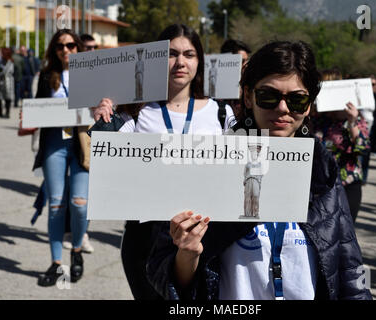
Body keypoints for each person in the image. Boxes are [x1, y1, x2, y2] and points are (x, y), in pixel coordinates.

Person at [146, 41, 372, 300]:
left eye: (298, 99)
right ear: (247, 96)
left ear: (309, 105)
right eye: (268, 96)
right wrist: (187, 255)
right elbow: (162, 274)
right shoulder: (207, 164)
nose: (283, 108)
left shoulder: (322, 171)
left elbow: (350, 271)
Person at [92, 24, 234, 300]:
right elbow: (109, 168)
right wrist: (104, 123)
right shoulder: (136, 111)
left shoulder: (221, 113)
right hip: (145, 235)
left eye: (189, 54)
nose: (180, 62)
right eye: (171, 54)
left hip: (204, 235)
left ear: (199, 61)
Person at [34, 29, 90, 287]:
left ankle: (76, 249)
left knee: (79, 204)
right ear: (54, 50)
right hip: (55, 143)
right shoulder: (47, 76)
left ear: (78, 47)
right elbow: (36, 109)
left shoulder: (92, 75)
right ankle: (57, 264)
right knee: (56, 205)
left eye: (70, 45)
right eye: (60, 46)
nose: (65, 50)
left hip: (82, 144)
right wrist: (28, 119)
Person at [311, 69, 370, 223]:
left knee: (345, 235)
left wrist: (352, 122)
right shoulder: (317, 119)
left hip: (347, 184)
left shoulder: (353, 119)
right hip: (320, 187)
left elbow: (363, 148)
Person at [62, 33, 99, 253]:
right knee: (67, 192)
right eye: (86, 48)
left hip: (89, 138)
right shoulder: (68, 75)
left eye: (94, 48)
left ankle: (82, 232)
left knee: (86, 193)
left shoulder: (101, 75)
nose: (90, 52)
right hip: (68, 137)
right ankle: (69, 231)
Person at [219, 39, 252, 119]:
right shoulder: (214, 91)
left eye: (247, 60)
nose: (246, 65)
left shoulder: (250, 87)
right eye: (242, 61)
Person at [0, 48, 14, 118]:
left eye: (1, 53)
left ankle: (7, 113)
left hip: (7, 82)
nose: (0, 54)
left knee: (7, 97)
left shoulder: (10, 62)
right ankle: (0, 112)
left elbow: (6, 72)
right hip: (1, 82)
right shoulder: (2, 61)